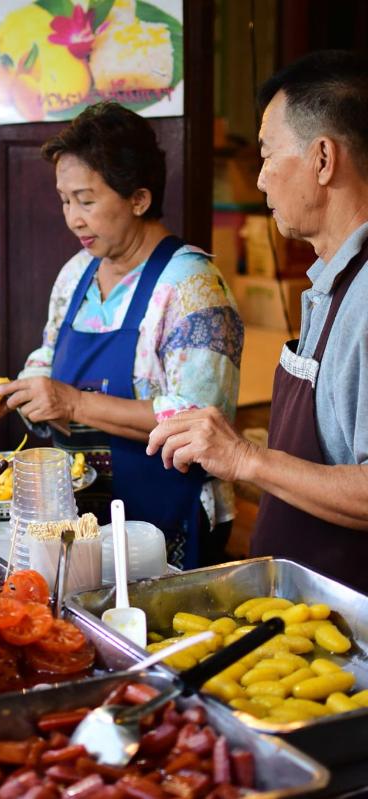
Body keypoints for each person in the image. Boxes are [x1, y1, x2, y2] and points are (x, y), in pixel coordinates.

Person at [0, 102, 243, 570]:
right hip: (88, 515)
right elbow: (46, 357)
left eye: (86, 200)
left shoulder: (192, 287)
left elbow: (199, 422)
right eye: (65, 200)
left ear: (138, 199)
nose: (73, 218)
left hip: (169, 517)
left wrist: (73, 403)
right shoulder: (78, 274)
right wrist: (13, 394)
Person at [147, 51, 368, 589]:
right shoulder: (332, 280)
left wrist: (247, 458)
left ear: (322, 160)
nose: (262, 180)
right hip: (305, 603)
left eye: (267, 155)